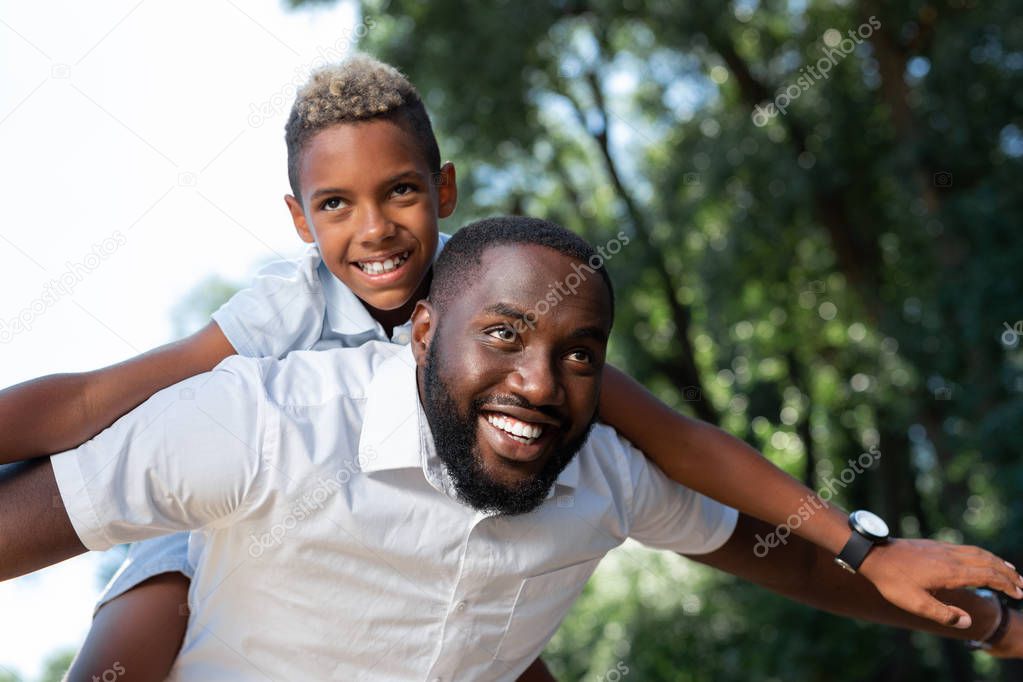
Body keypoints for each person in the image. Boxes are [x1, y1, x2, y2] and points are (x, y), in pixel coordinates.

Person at [0, 59, 1017, 679]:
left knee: (502, 614)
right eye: (337, 207)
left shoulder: (525, 331)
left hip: (458, 552)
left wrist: (867, 552)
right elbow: (99, 399)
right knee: (143, 622)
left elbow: (692, 453)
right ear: (301, 222)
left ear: (442, 189)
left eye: (399, 192)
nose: (374, 230)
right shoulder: (272, 359)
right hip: (228, 531)